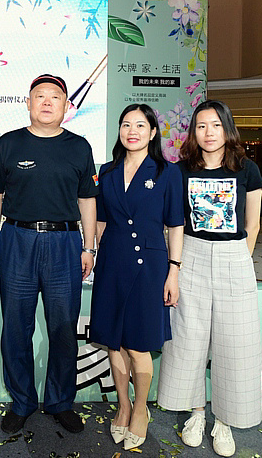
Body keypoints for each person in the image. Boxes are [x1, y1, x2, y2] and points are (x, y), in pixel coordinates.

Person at [0, 73, 98, 435]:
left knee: (63, 327)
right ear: (28, 103)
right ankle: (21, 402)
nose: (47, 102)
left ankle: (60, 401)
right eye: (40, 96)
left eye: (55, 97)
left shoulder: (79, 146)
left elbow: (87, 200)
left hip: (65, 243)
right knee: (16, 327)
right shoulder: (9, 143)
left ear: (66, 106)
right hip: (17, 239)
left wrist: (89, 246)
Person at [157, 100, 262, 458]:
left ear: (227, 128)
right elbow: (174, 222)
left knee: (234, 342)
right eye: (201, 126)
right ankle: (197, 413)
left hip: (235, 256)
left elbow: (253, 224)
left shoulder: (247, 169)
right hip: (191, 255)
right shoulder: (180, 171)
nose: (208, 132)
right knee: (188, 339)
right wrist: (175, 266)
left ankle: (225, 421)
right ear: (193, 132)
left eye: (216, 125)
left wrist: (239, 259)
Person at [89, 103, 184, 450]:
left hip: (150, 266)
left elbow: (175, 225)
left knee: (139, 343)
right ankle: (123, 405)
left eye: (140, 125)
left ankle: (141, 408)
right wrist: (95, 253)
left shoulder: (167, 172)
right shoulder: (107, 170)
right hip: (112, 263)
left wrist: (173, 271)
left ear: (153, 132)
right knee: (114, 340)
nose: (132, 131)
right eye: (126, 124)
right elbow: (101, 220)